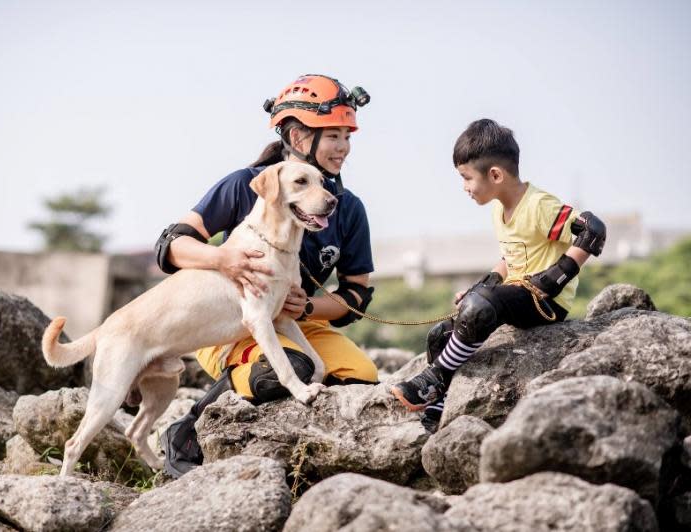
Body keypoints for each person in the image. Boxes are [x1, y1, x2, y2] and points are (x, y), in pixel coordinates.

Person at [156, 74, 380, 477]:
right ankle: (190, 431)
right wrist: (223, 259)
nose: (344, 147)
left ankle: (304, 458)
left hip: (296, 323)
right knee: (282, 371)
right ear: (297, 137)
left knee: (361, 378)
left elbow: (356, 298)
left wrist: (310, 305)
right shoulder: (245, 185)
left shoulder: (347, 208)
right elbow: (171, 247)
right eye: (333, 135)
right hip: (231, 324)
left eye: (348, 136)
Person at [391, 118, 606, 432]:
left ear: (495, 175)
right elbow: (512, 255)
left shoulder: (539, 206)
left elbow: (592, 232)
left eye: (466, 178)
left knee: (480, 307)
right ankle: (438, 406)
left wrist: (554, 277)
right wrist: (483, 285)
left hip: (544, 304)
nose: (464, 187)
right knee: (441, 334)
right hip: (514, 295)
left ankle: (433, 379)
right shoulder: (498, 208)